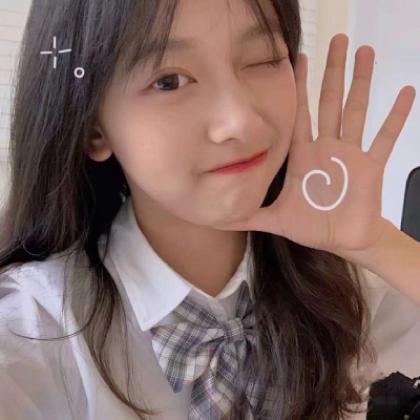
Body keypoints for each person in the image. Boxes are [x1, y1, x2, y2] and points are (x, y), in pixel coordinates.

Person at [0, 0, 419, 419]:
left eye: (263, 60)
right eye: (169, 81)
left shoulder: (338, 282)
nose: (240, 121)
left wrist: (377, 244)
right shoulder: (34, 331)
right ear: (94, 127)